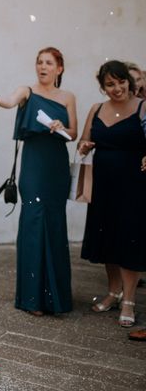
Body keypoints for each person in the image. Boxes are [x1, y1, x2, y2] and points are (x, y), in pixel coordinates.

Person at [0, 47, 77, 316]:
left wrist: (60, 127)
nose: (42, 67)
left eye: (48, 63)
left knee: (55, 223)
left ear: (59, 68)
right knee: (33, 220)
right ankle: (32, 298)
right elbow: (10, 101)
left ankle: (57, 298)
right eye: (39, 62)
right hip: (34, 164)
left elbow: (74, 132)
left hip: (56, 162)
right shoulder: (27, 91)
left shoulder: (68, 97)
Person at [79, 60, 146, 328]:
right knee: (106, 239)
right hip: (102, 184)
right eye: (110, 84)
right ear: (102, 87)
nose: (117, 88)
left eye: (121, 82)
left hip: (133, 185)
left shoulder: (142, 108)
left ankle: (129, 300)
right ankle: (113, 291)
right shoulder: (97, 109)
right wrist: (84, 146)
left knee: (128, 240)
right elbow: (84, 140)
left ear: (129, 82)